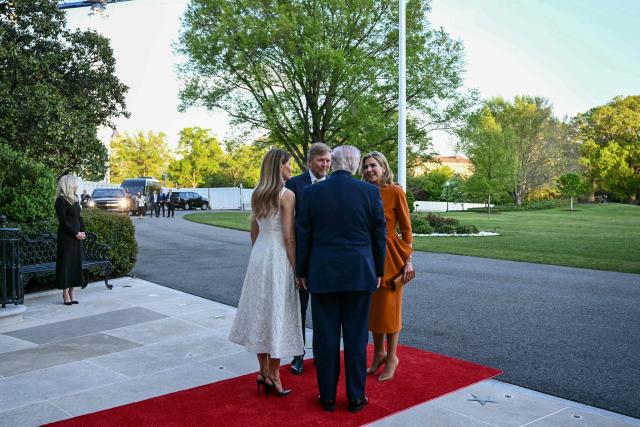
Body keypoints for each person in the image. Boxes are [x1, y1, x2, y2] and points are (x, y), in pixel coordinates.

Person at [296, 145, 386, 413]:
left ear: (333, 164)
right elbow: (378, 235)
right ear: (355, 165)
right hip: (359, 272)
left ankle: (327, 396)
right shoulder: (369, 192)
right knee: (357, 338)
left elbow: (304, 235)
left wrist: (301, 271)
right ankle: (356, 397)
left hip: (323, 273)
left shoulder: (312, 192)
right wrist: (378, 270)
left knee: (325, 337)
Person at [228, 148, 303, 398]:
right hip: (278, 255)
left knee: (261, 309)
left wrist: (259, 256)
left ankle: (262, 371)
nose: (290, 168)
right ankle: (275, 375)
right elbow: (288, 237)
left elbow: (253, 233)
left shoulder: (257, 193)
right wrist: (296, 268)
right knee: (278, 311)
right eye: (288, 164)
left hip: (259, 256)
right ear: (279, 167)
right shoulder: (286, 194)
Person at [361, 151, 415, 382]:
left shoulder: (395, 191)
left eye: (373, 165)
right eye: (366, 167)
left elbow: (406, 227)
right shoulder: (363, 191)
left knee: (390, 309)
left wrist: (408, 259)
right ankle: (379, 353)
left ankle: (392, 356)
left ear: (384, 167)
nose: (369, 170)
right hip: (368, 254)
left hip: (392, 254)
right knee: (374, 309)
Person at [284, 142, 332, 375]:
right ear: (310, 162)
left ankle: (322, 355)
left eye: (328, 161)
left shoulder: (333, 184)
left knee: (324, 311)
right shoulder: (294, 184)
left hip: (326, 259)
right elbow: (289, 224)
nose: (325, 165)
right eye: (321, 160)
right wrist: (296, 266)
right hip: (302, 257)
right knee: (299, 309)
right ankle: (298, 355)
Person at [55, 175, 86, 305]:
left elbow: (79, 218)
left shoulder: (75, 199)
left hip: (77, 236)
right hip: (67, 237)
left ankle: (73, 291)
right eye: (74, 184)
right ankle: (65, 292)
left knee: (75, 263)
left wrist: (83, 231)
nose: (76, 186)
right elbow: (63, 222)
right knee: (66, 264)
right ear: (68, 184)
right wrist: (75, 233)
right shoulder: (61, 200)